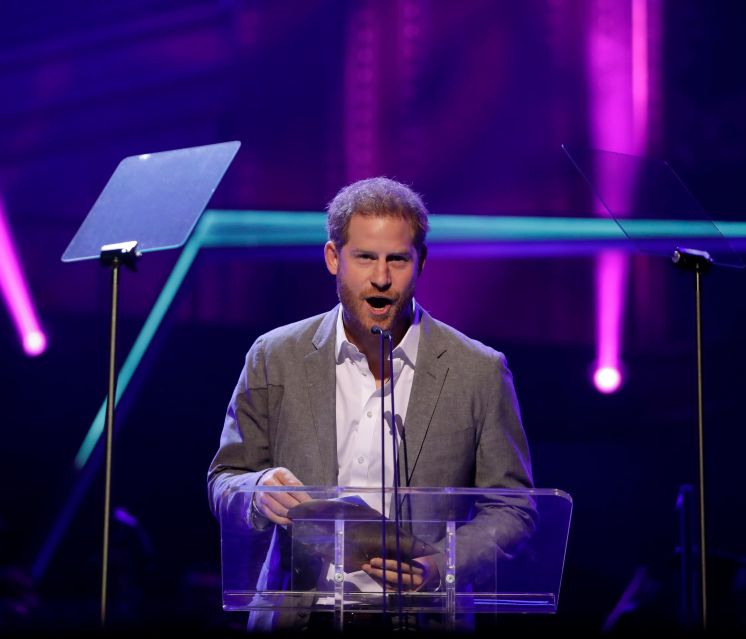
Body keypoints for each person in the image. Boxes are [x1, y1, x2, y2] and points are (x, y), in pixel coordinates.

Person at [207, 177, 535, 630]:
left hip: (420, 619)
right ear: (333, 258)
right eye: (365, 258)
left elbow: (513, 508)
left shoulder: (478, 369)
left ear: (421, 262)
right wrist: (259, 491)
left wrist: (441, 566)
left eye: (397, 260)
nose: (381, 278)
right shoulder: (274, 356)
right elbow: (226, 478)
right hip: (301, 619)